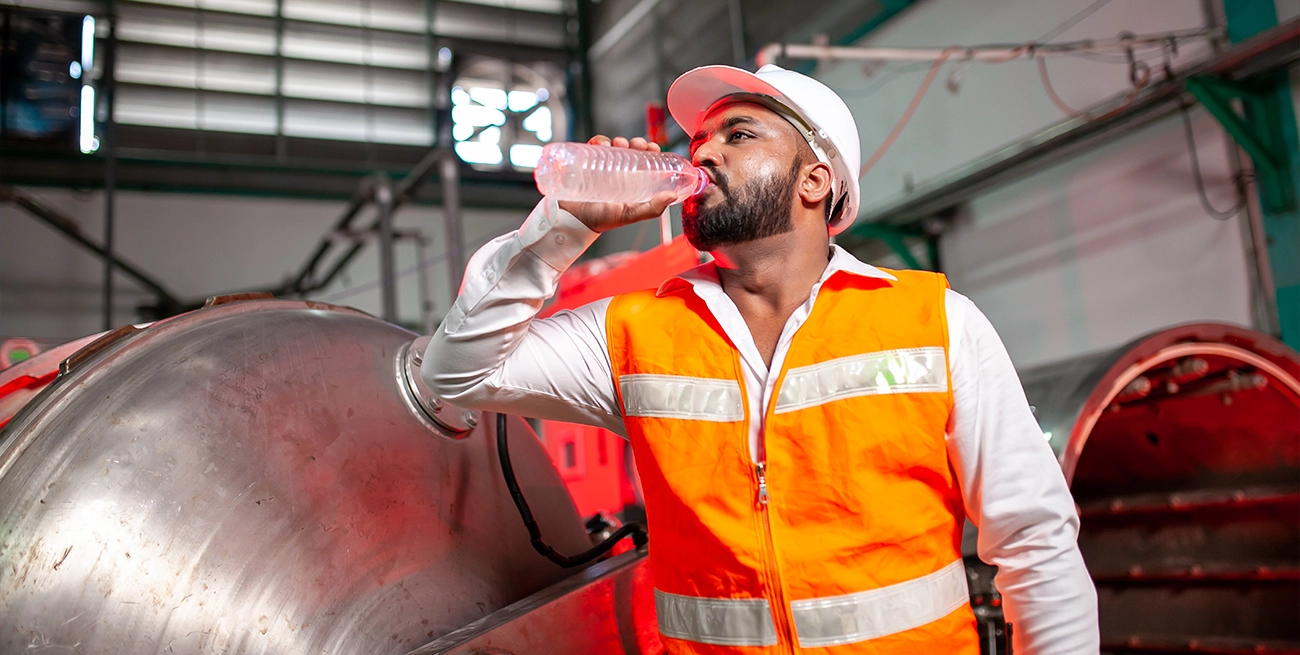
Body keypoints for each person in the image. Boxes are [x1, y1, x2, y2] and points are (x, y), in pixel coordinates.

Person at [422, 64, 1098, 654]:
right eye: (699, 140)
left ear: (814, 181)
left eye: (737, 134)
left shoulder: (935, 322)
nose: (705, 153)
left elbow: (1036, 542)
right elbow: (455, 372)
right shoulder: (631, 332)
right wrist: (563, 228)